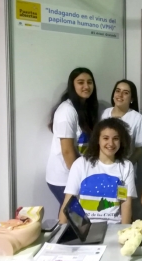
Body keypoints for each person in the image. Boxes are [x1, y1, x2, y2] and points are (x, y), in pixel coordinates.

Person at [59, 118, 137, 224]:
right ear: (97, 140)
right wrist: (60, 232)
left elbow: (126, 203)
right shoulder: (80, 164)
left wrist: (124, 231)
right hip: (85, 227)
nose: (111, 143)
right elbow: (68, 202)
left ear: (121, 141)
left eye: (115, 138)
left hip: (113, 226)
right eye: (105, 138)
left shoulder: (126, 166)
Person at [46, 68, 99, 206]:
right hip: (63, 178)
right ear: (72, 85)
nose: (86, 86)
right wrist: (80, 178)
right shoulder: (67, 111)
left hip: (74, 175)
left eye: (89, 82)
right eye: (80, 82)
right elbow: (67, 151)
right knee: (72, 218)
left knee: (74, 219)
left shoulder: (85, 108)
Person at [101, 79, 142, 164]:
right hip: (103, 165)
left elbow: (139, 150)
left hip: (125, 169)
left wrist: (126, 166)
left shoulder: (137, 118)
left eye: (125, 93)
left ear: (131, 98)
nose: (120, 95)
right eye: (117, 91)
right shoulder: (104, 113)